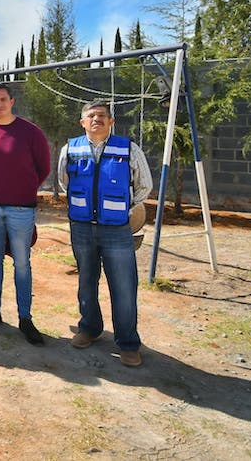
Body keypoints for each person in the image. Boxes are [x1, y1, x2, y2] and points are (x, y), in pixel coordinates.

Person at [59, 100, 153, 367]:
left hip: (116, 230)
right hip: (82, 227)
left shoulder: (128, 149)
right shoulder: (70, 149)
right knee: (86, 281)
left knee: (123, 286)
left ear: (111, 121)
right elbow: (64, 181)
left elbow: (144, 185)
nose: (96, 118)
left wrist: (124, 207)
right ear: (82, 122)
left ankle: (128, 343)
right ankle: (89, 328)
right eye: (91, 115)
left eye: (102, 115)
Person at [0, 82, 51, 345]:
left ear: (12, 101)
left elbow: (43, 168)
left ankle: (25, 318)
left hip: (21, 210)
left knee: (22, 263)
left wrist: (22, 189)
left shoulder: (31, 132)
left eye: (3, 99)